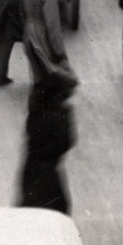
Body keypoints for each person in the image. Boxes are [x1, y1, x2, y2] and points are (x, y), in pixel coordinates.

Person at [19, 67, 77, 213]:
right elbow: (67, 142)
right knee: (55, 210)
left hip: (32, 167)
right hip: (48, 171)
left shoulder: (36, 109)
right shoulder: (59, 114)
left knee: (29, 207)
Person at [23, 0, 73, 82]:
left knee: (36, 77)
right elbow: (53, 26)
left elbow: (24, 12)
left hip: (28, 35)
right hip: (42, 38)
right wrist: (61, 54)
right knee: (48, 81)